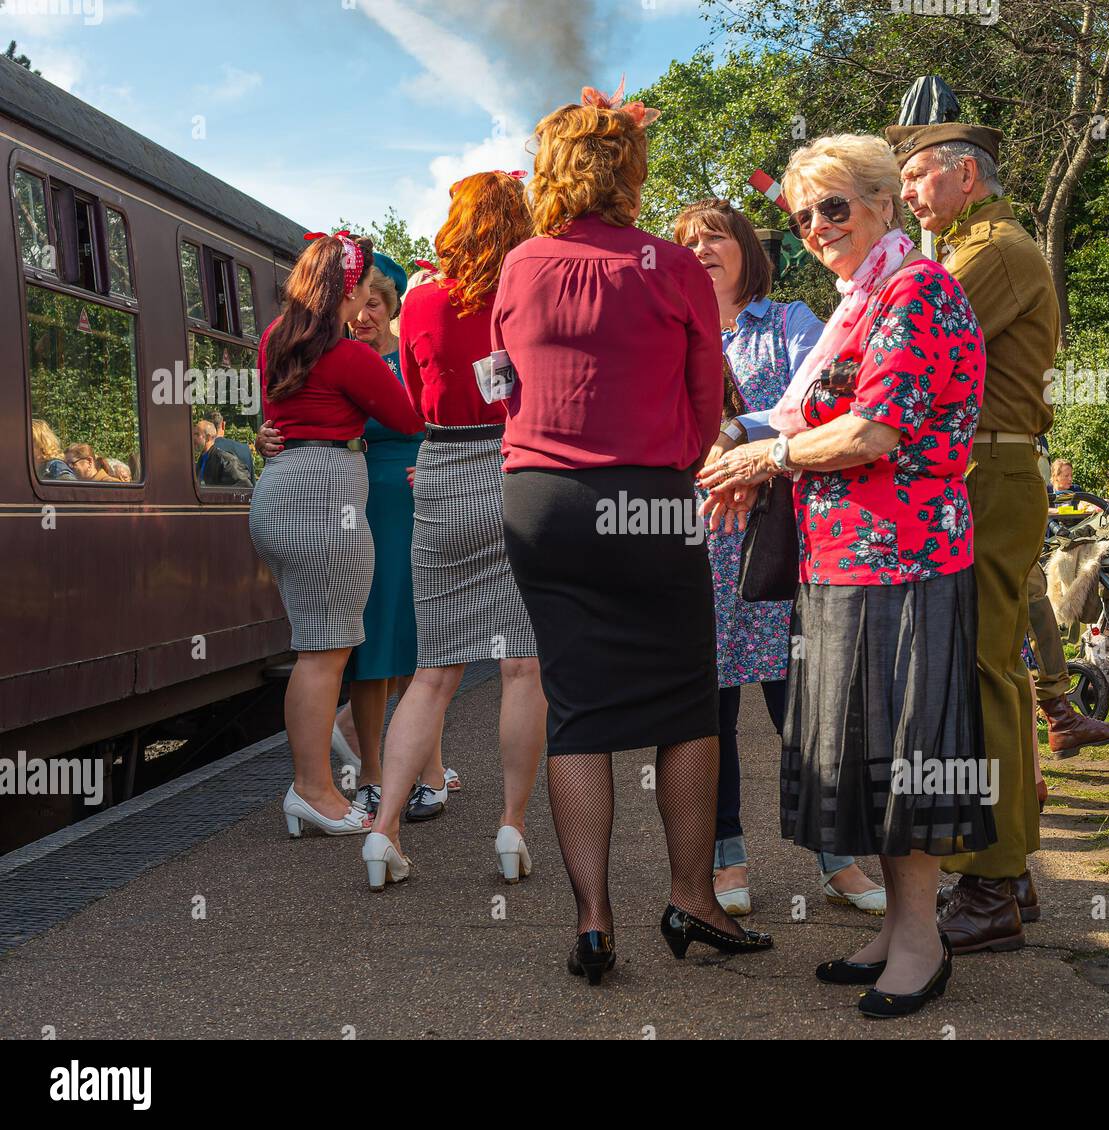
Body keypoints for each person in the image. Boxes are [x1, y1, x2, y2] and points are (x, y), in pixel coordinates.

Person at [699, 131, 991, 1018]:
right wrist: (745, 441)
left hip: (907, 562)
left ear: (884, 204)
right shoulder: (858, 302)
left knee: (909, 759)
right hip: (845, 563)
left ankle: (921, 943)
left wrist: (768, 457)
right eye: (802, 216)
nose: (818, 226)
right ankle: (900, 930)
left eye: (835, 206)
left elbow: (872, 433)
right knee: (871, 758)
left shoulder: (917, 290)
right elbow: (800, 410)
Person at [494, 81, 773, 984]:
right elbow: (703, 411)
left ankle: (592, 922)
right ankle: (692, 902)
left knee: (577, 708)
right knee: (688, 705)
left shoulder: (521, 265)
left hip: (540, 503)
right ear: (631, 172)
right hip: (649, 501)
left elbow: (507, 389)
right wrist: (666, 462)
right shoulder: (673, 267)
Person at [674, 197, 886, 917]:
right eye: (687, 241)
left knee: (807, 704)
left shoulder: (793, 321)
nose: (700, 249)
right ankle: (726, 860)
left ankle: (838, 857)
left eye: (715, 237)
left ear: (745, 249)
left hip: (780, 536)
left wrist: (738, 438)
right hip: (698, 539)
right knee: (712, 712)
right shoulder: (670, 332)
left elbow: (824, 403)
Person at [888, 121, 1056, 949]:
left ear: (964, 174)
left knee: (985, 671)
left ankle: (990, 886)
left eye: (917, 176)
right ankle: (1007, 871)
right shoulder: (986, 245)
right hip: (986, 470)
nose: (911, 192)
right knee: (991, 670)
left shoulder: (991, 251)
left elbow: (909, 348)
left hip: (987, 472)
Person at [361, 172, 547, 892]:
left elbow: (409, 400)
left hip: (437, 469)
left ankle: (384, 834)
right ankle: (511, 827)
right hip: (510, 465)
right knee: (522, 665)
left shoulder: (420, 298)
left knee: (434, 672)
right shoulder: (527, 288)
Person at [248, 230, 424, 840]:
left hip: (278, 487)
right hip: (326, 493)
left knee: (314, 647)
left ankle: (312, 785)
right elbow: (408, 417)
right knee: (326, 654)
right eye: (359, 293)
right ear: (347, 289)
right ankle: (314, 791)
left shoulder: (277, 338)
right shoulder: (351, 356)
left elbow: (278, 414)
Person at [193, 420, 252, 487]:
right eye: (193, 434)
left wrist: (220, 496)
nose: (193, 438)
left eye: (197, 434)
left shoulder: (224, 460)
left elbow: (244, 484)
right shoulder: (202, 459)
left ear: (208, 438)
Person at [206, 409, 256, 481]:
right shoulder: (244, 449)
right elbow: (252, 486)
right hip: (242, 492)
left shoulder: (205, 452)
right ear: (223, 425)